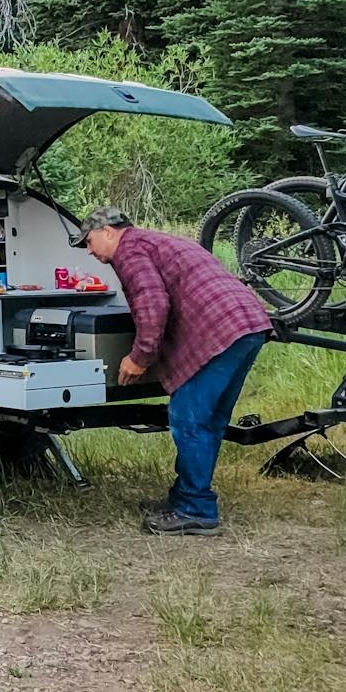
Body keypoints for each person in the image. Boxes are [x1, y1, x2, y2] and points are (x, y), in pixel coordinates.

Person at [75, 206, 271, 536]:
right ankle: (185, 498)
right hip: (247, 325)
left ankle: (196, 510)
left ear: (108, 231)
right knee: (210, 420)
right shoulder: (157, 241)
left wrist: (140, 357)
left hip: (218, 333)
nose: (89, 250)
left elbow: (152, 303)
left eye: (90, 241)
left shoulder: (131, 251)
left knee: (189, 419)